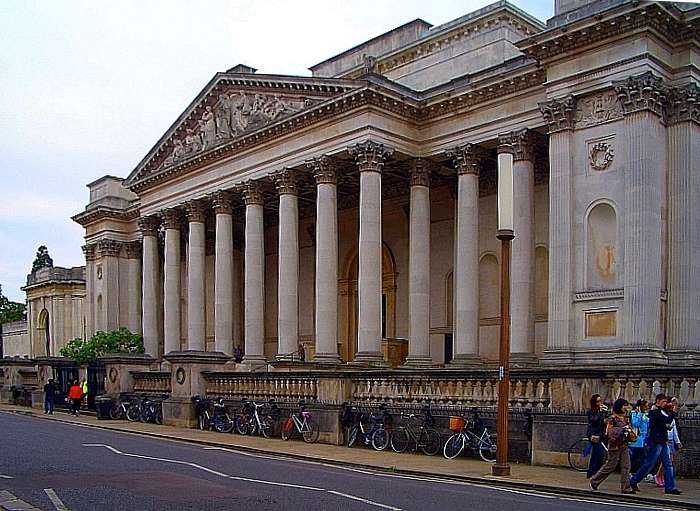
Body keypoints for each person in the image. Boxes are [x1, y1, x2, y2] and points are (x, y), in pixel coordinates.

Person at [629, 393, 682, 495]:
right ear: (658, 402)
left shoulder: (664, 412)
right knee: (649, 464)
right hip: (656, 441)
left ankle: (670, 487)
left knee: (668, 464)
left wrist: (672, 409)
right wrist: (673, 412)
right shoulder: (655, 412)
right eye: (663, 402)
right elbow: (667, 420)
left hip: (663, 440)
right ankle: (633, 481)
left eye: (666, 401)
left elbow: (668, 423)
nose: (665, 403)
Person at [590, 398, 635, 494]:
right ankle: (595, 480)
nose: (626, 407)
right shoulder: (613, 418)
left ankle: (626, 487)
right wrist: (619, 432)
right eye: (624, 405)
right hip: (615, 445)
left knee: (626, 466)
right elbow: (609, 432)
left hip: (624, 444)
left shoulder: (626, 417)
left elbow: (629, 428)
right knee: (610, 465)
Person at [654, 397, 682, 489]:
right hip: (664, 440)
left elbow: (674, 431)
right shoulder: (663, 415)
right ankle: (659, 477)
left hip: (670, 441)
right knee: (667, 461)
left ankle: (664, 479)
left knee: (669, 462)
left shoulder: (672, 417)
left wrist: (677, 441)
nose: (674, 406)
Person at [586, 394, 608, 478]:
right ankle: (595, 473)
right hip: (593, 434)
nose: (600, 403)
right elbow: (594, 420)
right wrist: (601, 412)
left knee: (596, 454)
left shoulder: (602, 410)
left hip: (601, 434)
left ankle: (592, 473)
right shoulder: (591, 411)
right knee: (599, 453)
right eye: (598, 401)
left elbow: (604, 421)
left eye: (600, 401)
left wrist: (605, 412)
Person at [629, 399, 649, 472]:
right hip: (636, 439)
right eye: (645, 406)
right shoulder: (634, 413)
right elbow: (635, 423)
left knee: (643, 458)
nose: (647, 408)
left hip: (644, 439)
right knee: (634, 457)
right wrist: (639, 414)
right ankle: (631, 471)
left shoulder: (646, 414)